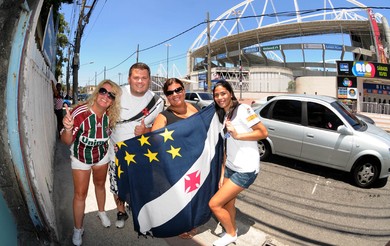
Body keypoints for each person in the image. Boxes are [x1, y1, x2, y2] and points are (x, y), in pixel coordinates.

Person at [61, 80, 122, 246]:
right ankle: (78, 229)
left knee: (100, 185)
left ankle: (101, 212)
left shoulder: (110, 116)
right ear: (97, 92)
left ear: (113, 100)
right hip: (81, 158)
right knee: (80, 194)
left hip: (101, 156)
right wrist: (67, 129)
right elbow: (66, 141)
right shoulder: (80, 113)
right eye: (103, 91)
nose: (106, 96)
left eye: (111, 95)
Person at [208, 80, 268, 246]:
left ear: (230, 93)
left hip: (245, 169)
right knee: (228, 203)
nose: (220, 97)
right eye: (216, 95)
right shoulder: (225, 114)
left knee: (214, 204)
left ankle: (231, 233)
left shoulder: (243, 109)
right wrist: (222, 174)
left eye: (223, 93)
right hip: (230, 167)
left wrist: (238, 135)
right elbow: (227, 147)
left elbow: (263, 132)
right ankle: (230, 227)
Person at [109, 62, 165, 228]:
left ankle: (137, 208)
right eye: (136, 78)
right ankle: (121, 211)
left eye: (144, 78)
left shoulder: (157, 101)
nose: (140, 81)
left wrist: (146, 129)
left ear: (149, 79)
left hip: (142, 155)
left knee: (141, 186)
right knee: (117, 186)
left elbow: (160, 129)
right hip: (116, 153)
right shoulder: (116, 94)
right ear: (129, 79)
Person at [151, 78, 199, 239]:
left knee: (193, 195)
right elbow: (153, 140)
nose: (175, 94)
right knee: (180, 197)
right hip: (176, 166)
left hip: (196, 162)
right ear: (166, 96)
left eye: (178, 90)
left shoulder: (197, 109)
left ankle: (190, 222)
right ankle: (180, 225)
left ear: (184, 90)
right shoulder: (164, 116)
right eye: (170, 92)